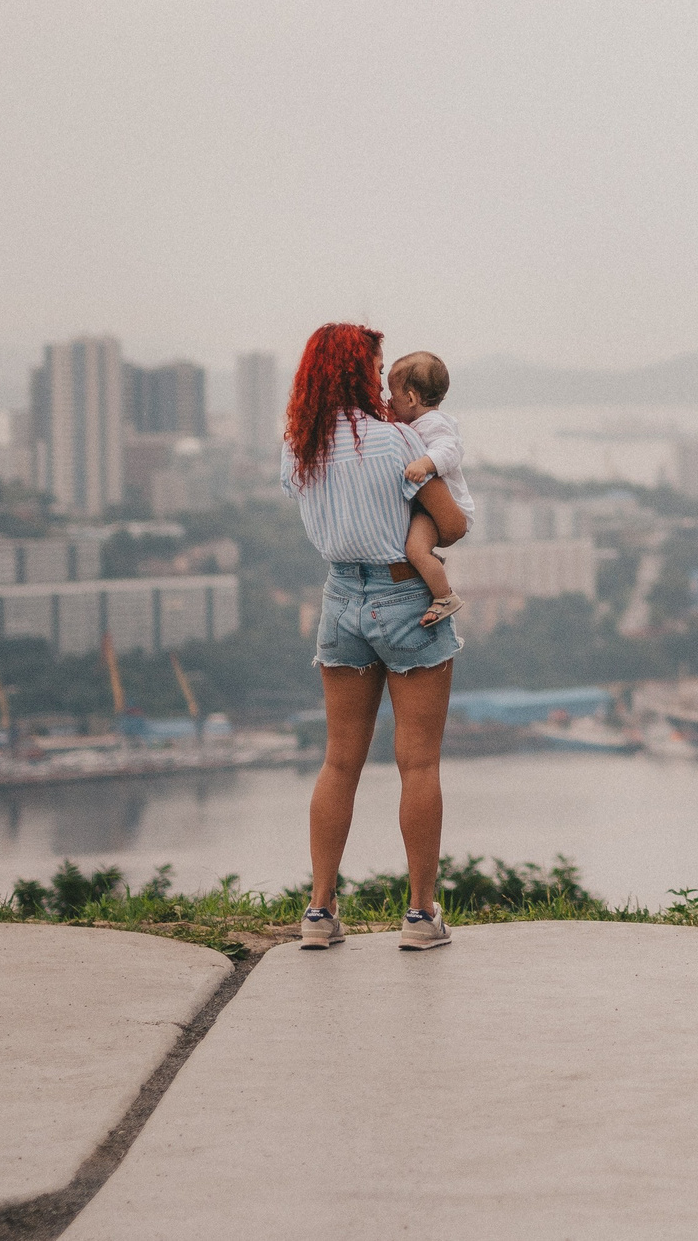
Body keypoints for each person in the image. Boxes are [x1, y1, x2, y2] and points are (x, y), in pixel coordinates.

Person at [279, 322, 471, 954]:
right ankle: (419, 918)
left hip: (340, 599)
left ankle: (318, 911)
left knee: (339, 761)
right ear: (360, 372)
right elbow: (451, 521)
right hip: (405, 598)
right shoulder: (397, 442)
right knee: (417, 763)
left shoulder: (297, 446)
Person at [389, 350, 470, 629]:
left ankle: (444, 597)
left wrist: (424, 464)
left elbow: (450, 451)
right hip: (430, 511)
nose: (389, 400)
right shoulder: (421, 423)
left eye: (393, 395)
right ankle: (431, 566)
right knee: (416, 549)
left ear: (411, 398)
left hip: (444, 511)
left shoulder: (433, 424)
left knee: (415, 551)